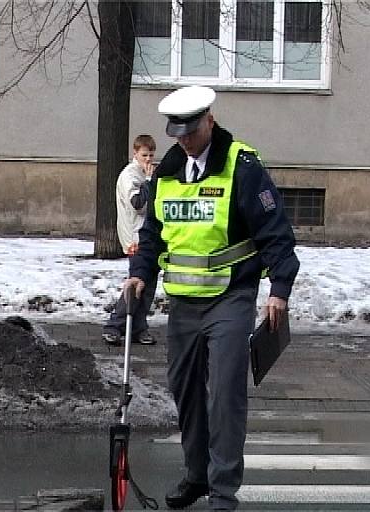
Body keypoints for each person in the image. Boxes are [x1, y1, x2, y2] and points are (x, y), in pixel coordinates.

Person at [123, 86, 300, 510]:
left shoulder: (242, 166)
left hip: (231, 298)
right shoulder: (166, 171)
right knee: (184, 390)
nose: (184, 140)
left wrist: (279, 289)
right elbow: (153, 235)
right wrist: (139, 275)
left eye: (191, 131)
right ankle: (196, 474)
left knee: (224, 393)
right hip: (183, 302)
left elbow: (276, 232)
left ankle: (223, 492)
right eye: (177, 133)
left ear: (209, 121)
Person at [102, 134, 158, 346]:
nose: (149, 159)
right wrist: (150, 183)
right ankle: (115, 325)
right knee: (136, 283)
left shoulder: (143, 173)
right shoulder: (131, 176)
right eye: (144, 155)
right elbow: (137, 203)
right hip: (136, 236)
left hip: (147, 236)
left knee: (148, 283)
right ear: (135, 153)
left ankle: (138, 327)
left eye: (151, 155)